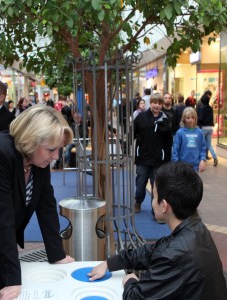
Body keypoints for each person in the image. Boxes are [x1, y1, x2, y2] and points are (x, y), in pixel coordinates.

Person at [0, 105, 75, 300]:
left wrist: (57, 254)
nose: (56, 156)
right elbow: (3, 216)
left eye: (59, 149)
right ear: (31, 140)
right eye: (51, 150)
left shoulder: (38, 158)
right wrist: (13, 278)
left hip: (0, 239)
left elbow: (46, 204)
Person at [88, 161, 227, 300]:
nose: (152, 202)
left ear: (164, 206)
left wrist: (130, 281)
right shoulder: (196, 227)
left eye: (154, 197)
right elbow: (153, 251)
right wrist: (111, 263)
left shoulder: (174, 256)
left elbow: (136, 297)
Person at [133, 93, 173, 218]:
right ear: (150, 103)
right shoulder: (141, 117)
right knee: (140, 184)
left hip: (158, 160)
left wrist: (167, 159)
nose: (156, 105)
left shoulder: (165, 120)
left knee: (156, 186)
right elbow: (132, 134)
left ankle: (154, 211)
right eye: (154, 102)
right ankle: (138, 201)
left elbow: (168, 142)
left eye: (159, 103)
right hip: (142, 158)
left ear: (162, 105)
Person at [172, 107, 206, 172]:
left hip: (195, 166)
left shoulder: (199, 132)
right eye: (188, 118)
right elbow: (175, 150)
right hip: (182, 167)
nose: (190, 120)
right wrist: (176, 164)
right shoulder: (180, 132)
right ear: (183, 119)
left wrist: (203, 160)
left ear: (195, 119)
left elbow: (203, 148)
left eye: (193, 117)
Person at [197, 94, 218, 166]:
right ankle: (215, 157)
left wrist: (198, 124)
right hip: (210, 128)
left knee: (200, 144)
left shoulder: (202, 109)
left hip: (203, 128)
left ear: (202, 101)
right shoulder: (210, 108)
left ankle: (201, 159)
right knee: (209, 145)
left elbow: (201, 118)